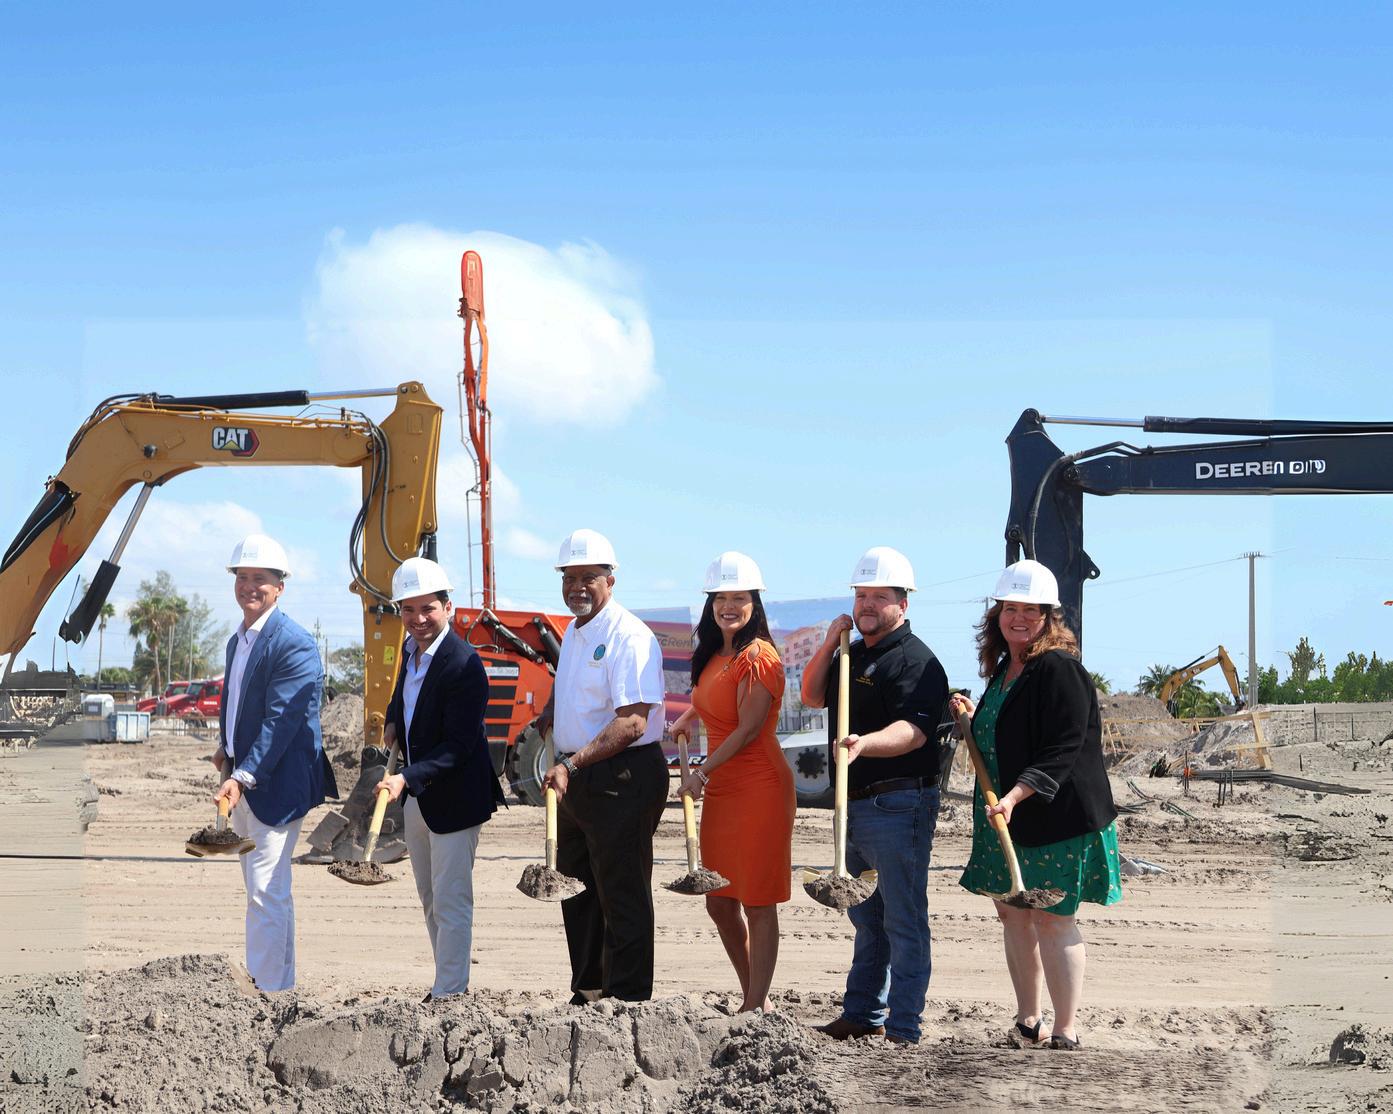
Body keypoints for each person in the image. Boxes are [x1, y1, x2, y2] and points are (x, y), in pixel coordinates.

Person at [948, 559, 1122, 1051]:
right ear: (997, 615)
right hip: (1006, 815)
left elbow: (1062, 748)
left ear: (1048, 617)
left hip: (1053, 817)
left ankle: (1065, 1029)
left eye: (1030, 610)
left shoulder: (1060, 669)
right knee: (1013, 915)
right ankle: (1029, 1020)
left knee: (1052, 918)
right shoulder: (1005, 670)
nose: (1018, 618)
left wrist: (1015, 796)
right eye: (1010, 609)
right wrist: (971, 718)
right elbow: (1005, 735)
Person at [801, 546, 949, 1046]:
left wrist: (864, 744)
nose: (866, 604)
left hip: (899, 803)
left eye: (878, 596)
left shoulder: (916, 660)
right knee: (867, 917)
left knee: (903, 919)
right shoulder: (851, 652)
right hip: (854, 802)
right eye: (861, 595)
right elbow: (811, 696)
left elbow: (915, 732)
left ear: (903, 604)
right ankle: (864, 1013)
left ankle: (904, 1027)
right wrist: (829, 642)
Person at [539, 528, 668, 1003]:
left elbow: (632, 722)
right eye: (569, 578)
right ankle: (590, 989)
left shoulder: (627, 635)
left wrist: (571, 765)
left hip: (622, 776)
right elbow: (576, 688)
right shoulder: (575, 632)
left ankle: (627, 1000)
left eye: (587, 577)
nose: (577, 587)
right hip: (580, 776)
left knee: (621, 892)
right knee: (577, 889)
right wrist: (551, 712)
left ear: (610, 580)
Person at [672, 552, 796, 1013]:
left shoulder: (759, 657)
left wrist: (700, 773)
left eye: (739, 598)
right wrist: (689, 716)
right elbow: (716, 699)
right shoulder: (716, 654)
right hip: (723, 789)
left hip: (760, 786)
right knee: (719, 900)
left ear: (754, 603)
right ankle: (754, 997)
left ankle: (755, 1005)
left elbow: (747, 729)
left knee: (757, 900)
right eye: (720, 598)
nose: (728, 606)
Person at [375, 556, 502, 1000]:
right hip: (419, 798)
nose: (418, 619)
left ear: (448, 607)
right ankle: (445, 982)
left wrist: (405, 777)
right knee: (430, 898)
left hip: (455, 800)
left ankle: (450, 994)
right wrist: (393, 720)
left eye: (427, 608)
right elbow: (403, 696)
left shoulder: (464, 665)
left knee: (451, 900)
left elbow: (458, 746)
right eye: (408, 609)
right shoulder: (410, 653)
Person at [213, 533, 335, 992]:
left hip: (277, 785)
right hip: (245, 780)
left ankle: (265, 994)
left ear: (280, 587)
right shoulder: (239, 640)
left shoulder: (294, 643)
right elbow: (238, 703)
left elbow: (281, 720)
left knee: (265, 891)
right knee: (266, 891)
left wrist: (244, 775)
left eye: (259, 579)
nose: (249, 586)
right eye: (242, 577)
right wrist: (226, 746)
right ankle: (278, 989)